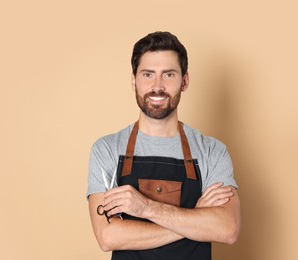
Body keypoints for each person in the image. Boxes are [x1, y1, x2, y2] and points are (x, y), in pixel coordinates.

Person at [87, 31, 240, 260]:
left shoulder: (212, 151)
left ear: (184, 80)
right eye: (148, 74)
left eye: (168, 75)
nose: (157, 86)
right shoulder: (107, 149)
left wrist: (145, 208)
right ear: (133, 80)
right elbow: (108, 236)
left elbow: (227, 229)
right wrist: (195, 218)